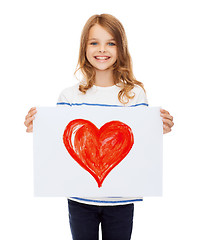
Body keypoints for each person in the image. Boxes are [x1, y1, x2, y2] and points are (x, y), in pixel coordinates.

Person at [24, 14, 174, 240]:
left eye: (110, 43)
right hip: (80, 199)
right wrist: (40, 129)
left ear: (120, 48)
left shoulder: (134, 95)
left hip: (122, 199)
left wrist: (158, 128)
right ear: (84, 47)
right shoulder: (69, 96)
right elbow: (61, 143)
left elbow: (140, 141)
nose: (102, 49)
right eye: (94, 42)